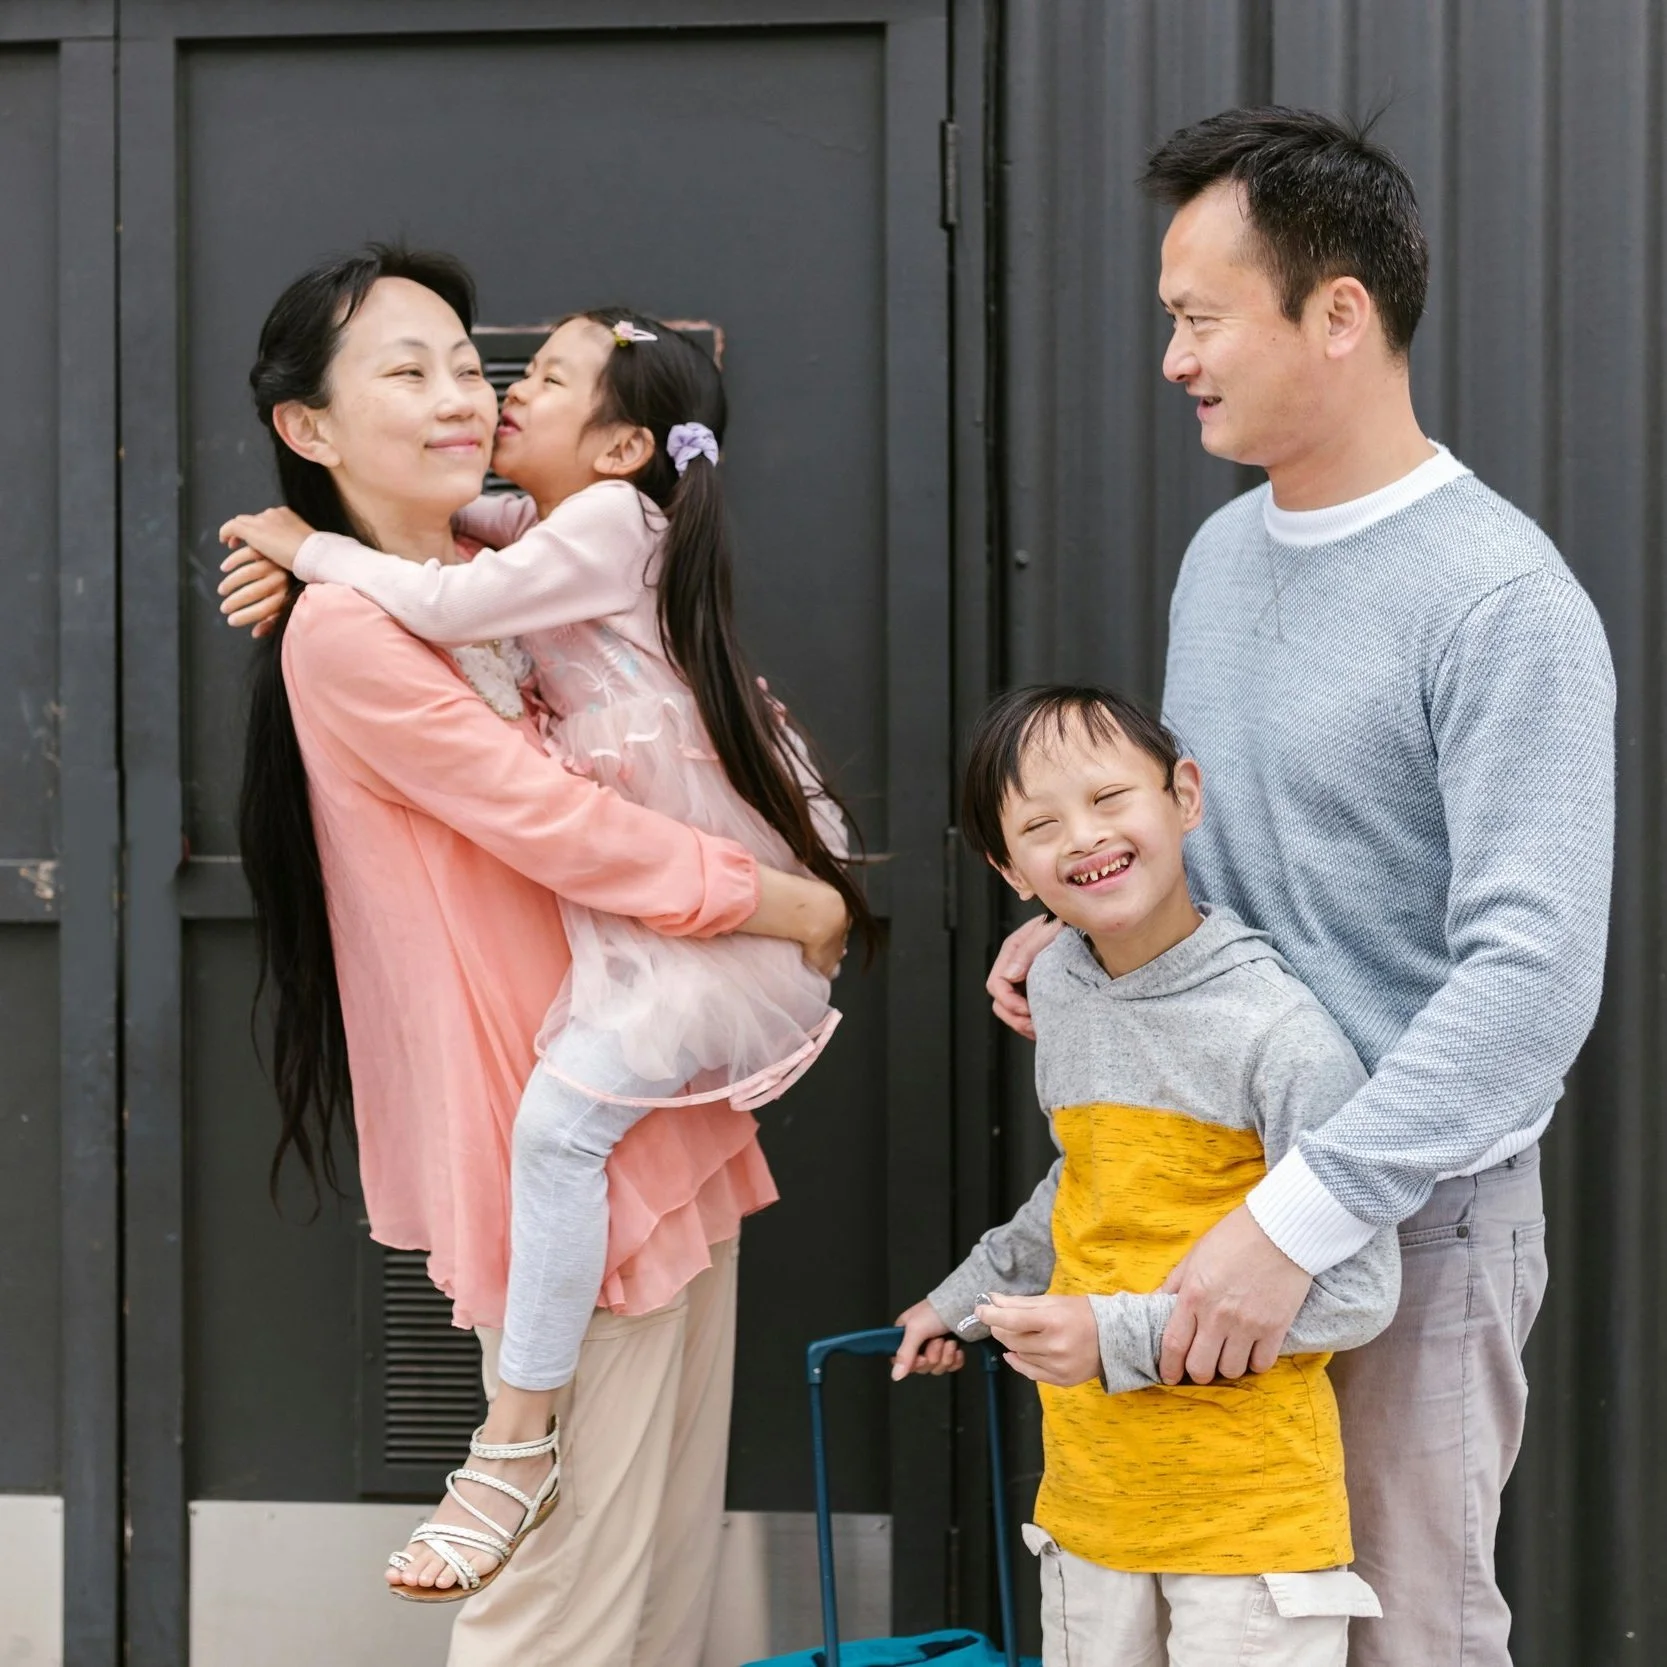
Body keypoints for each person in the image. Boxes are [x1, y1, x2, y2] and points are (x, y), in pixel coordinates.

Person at [981, 109, 1615, 1665]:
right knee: (1199, 1612)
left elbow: (1531, 981)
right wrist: (1081, 917)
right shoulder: (1219, 556)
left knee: (1402, 1627)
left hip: (1404, 1213)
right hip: (1192, 1193)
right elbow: (1233, 852)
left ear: (1336, 313)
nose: (1172, 357)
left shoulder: (1499, 599)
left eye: (1197, 318)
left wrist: (1297, 1215)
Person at [222, 245, 849, 1650]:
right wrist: (783, 900)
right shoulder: (352, 628)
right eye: (407, 369)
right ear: (306, 429)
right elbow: (554, 822)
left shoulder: (481, 560)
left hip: (648, 1095)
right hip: (560, 1114)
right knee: (564, 1608)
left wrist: (303, 543)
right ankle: (502, 1460)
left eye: (468, 363)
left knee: (657, 1565)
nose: (463, 395)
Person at [894, 684, 1394, 1666]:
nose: (1081, 836)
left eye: (1108, 797)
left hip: (1248, 1529)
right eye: (1039, 823)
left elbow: (1358, 1291)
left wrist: (1110, 1334)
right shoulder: (1059, 982)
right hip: (1089, 1505)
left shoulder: (1279, 1033)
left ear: (1184, 797)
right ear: (1006, 867)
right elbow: (1083, 1180)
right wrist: (961, 1296)